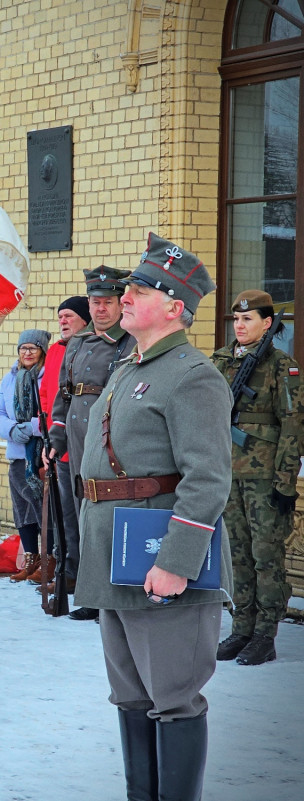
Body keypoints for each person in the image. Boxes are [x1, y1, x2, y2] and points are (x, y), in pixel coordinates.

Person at [75, 233, 233, 801]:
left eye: (141, 290)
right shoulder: (129, 365)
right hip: (115, 557)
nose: (126, 297)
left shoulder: (192, 375)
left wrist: (177, 563)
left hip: (158, 561)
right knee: (132, 697)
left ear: (175, 308)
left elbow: (208, 479)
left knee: (174, 696)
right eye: (129, 289)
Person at [210, 290, 303, 666]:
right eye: (236, 319)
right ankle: (241, 627)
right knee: (237, 556)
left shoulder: (283, 366)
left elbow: (293, 425)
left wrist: (285, 482)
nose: (240, 325)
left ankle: (265, 634)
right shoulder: (218, 361)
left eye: (248, 319)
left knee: (266, 556)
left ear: (267, 324)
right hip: (225, 474)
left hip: (264, 478)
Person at [48, 265, 136, 621]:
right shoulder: (78, 344)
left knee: (108, 522)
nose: (100, 309)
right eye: (95, 302)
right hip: (77, 443)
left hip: (111, 446)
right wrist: (55, 437)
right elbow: (63, 396)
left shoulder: (131, 342)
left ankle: (114, 597)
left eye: (108, 302)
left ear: (120, 304)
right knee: (82, 523)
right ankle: (91, 594)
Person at [0, 329, 53, 583]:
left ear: (42, 351)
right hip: (17, 455)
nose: (27, 353)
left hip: (40, 457)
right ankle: (31, 558)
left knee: (43, 510)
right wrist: (13, 430)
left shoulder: (48, 377)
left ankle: (50, 560)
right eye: (23, 348)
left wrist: (33, 428)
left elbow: (54, 414)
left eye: (33, 348)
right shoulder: (10, 379)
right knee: (22, 510)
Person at [40, 297, 91, 594]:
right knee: (64, 517)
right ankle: (68, 570)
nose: (63, 321)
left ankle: (86, 574)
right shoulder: (56, 351)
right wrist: (50, 439)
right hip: (60, 448)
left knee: (86, 518)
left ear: (83, 319)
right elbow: (49, 397)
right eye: (60, 316)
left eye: (69, 315)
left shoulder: (93, 348)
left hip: (87, 451)